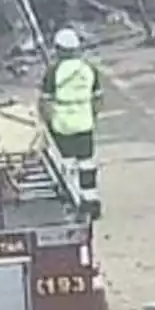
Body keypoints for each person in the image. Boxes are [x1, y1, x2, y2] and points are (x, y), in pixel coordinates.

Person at [39, 28, 103, 219]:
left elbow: (45, 102)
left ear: (59, 49)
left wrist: (46, 123)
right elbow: (98, 100)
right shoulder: (89, 69)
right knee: (87, 164)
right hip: (84, 122)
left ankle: (72, 203)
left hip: (62, 124)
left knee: (66, 165)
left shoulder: (53, 71)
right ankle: (91, 201)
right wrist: (90, 116)